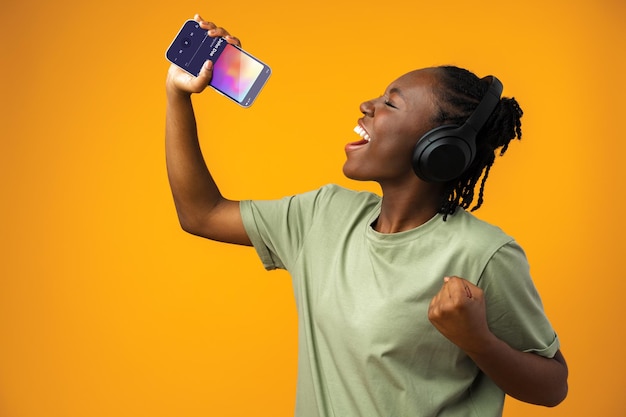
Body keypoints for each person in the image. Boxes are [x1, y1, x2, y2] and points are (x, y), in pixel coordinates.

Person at [165, 14, 568, 417]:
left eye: (391, 103)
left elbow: (553, 385)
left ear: (439, 148)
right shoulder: (323, 214)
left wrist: (479, 341)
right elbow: (203, 214)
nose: (367, 105)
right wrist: (177, 95)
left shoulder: (485, 253)